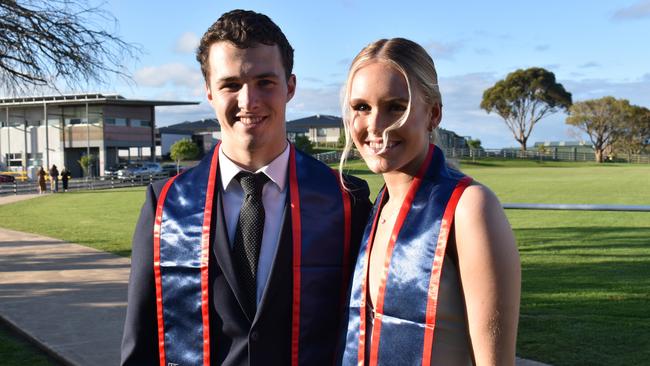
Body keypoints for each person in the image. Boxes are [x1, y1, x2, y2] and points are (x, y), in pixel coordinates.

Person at [121, 10, 372, 366]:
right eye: (231, 84)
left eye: (265, 82)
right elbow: (140, 344)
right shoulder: (166, 205)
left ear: (290, 86)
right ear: (209, 90)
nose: (248, 100)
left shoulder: (346, 200)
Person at [337, 38, 521, 365]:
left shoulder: (469, 207)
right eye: (361, 107)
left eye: (396, 106)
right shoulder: (374, 207)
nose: (376, 125)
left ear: (432, 114)